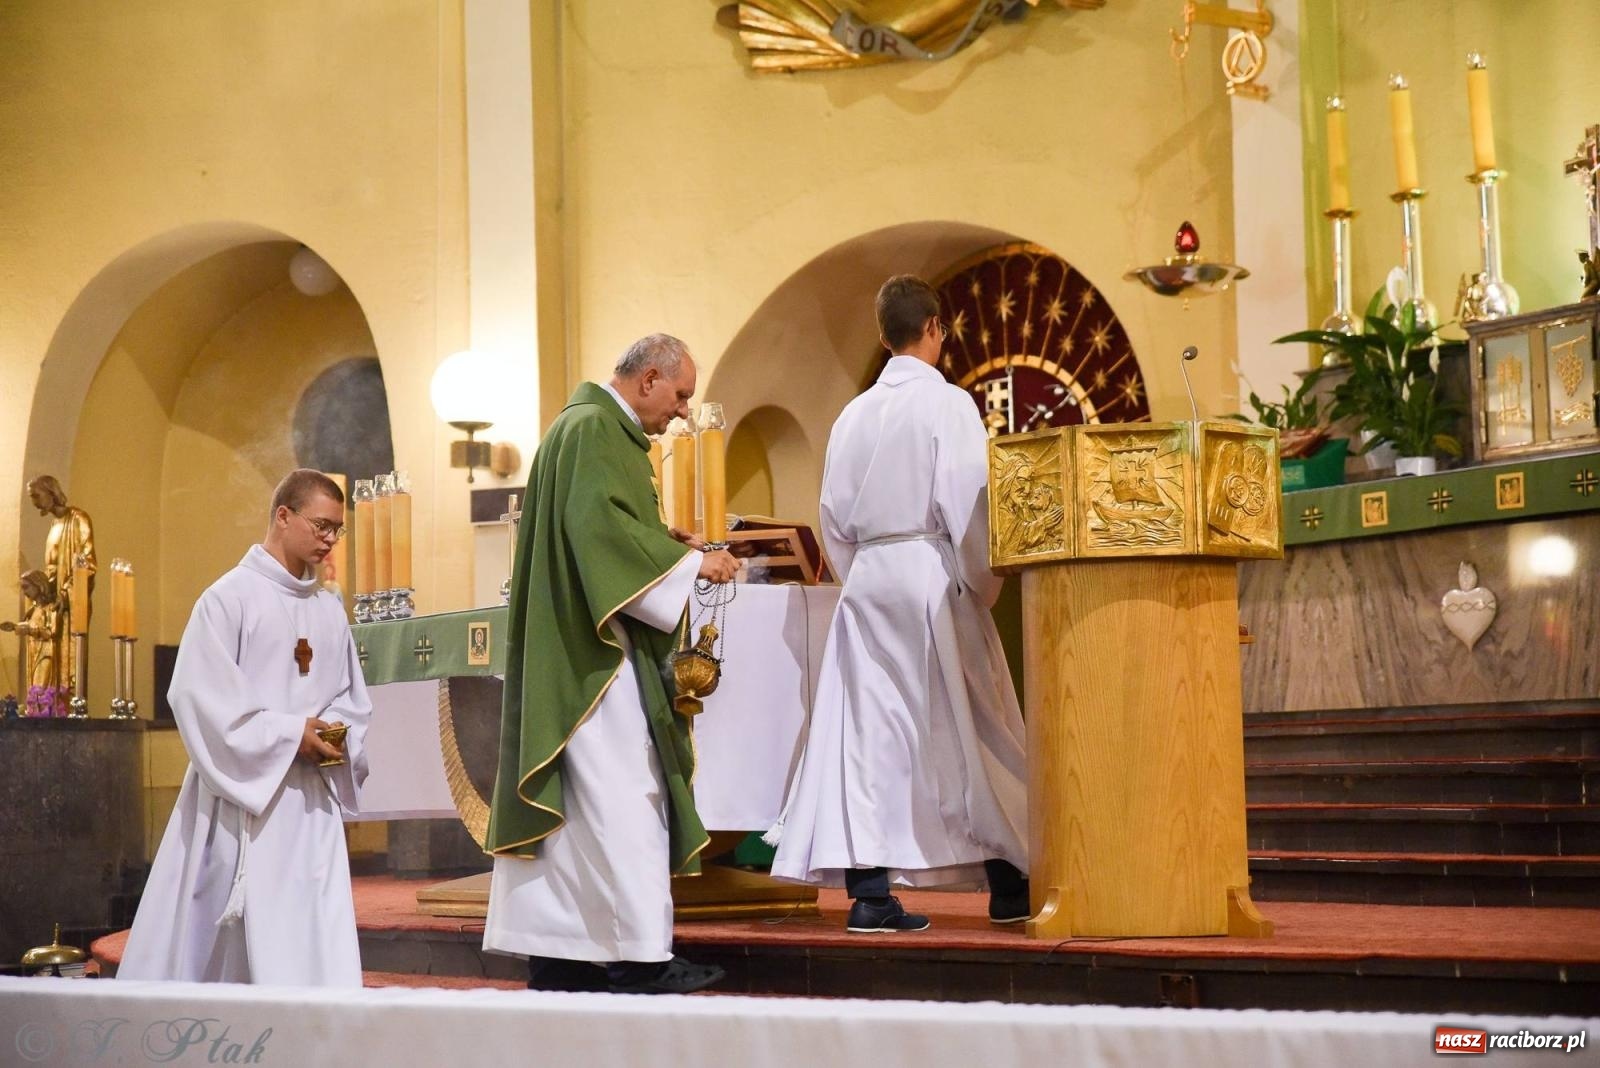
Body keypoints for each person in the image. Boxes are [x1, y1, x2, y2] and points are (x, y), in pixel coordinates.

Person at [769, 274, 1030, 932]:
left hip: (871, 582)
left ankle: (871, 894)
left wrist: (867, 575)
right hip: (930, 574)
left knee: (868, 736)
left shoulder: (852, 415)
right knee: (975, 723)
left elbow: (831, 518)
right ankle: (1010, 880)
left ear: (883, 336)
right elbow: (968, 502)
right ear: (936, 328)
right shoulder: (948, 406)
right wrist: (978, 583)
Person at [482, 333, 739, 995]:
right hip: (594, 659)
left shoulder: (580, 428)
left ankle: (558, 955)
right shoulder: (597, 429)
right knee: (626, 798)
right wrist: (691, 561)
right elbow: (598, 530)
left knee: (576, 811)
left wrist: (661, 542)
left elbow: (599, 531)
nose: (682, 411)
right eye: (680, 395)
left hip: (573, 648)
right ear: (649, 378)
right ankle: (639, 958)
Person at [119, 469, 370, 985]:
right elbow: (198, 696)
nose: (330, 540)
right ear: (283, 515)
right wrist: (288, 734)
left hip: (310, 802)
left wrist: (337, 733)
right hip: (241, 799)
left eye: (337, 530)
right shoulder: (227, 599)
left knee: (313, 936)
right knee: (224, 950)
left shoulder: (329, 610)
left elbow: (352, 699)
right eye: (322, 525)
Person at [27, 474, 95, 690]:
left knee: (70, 663)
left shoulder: (78, 519)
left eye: (37, 496)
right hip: (53, 604)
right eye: (32, 498)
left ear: (52, 492)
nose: (35, 502)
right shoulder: (55, 525)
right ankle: (50, 703)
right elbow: (52, 568)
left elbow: (88, 564)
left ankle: (69, 702)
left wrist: (65, 594)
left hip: (70, 603)